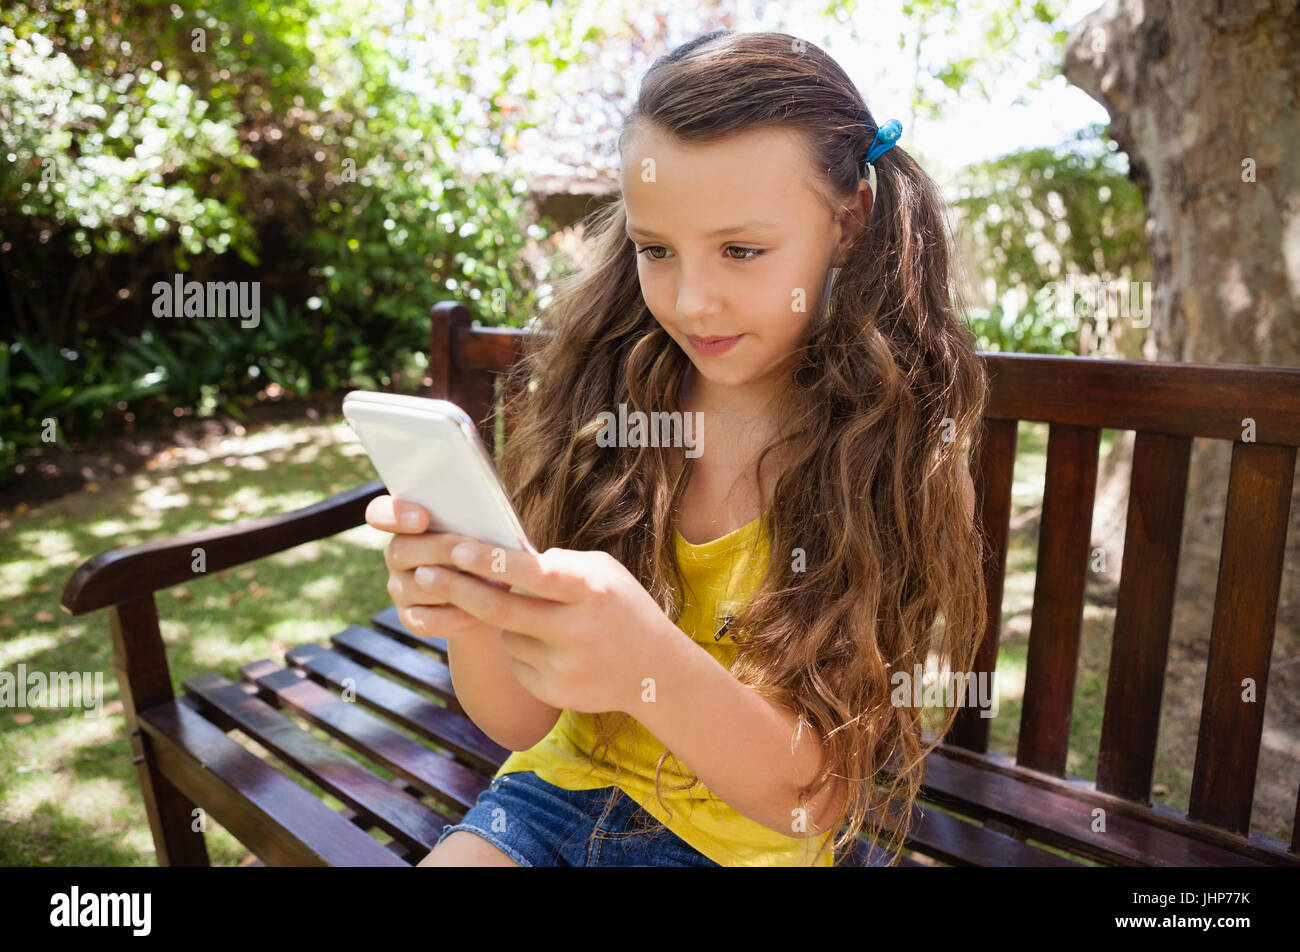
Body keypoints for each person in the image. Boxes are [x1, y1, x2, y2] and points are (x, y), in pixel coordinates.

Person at [367, 29, 988, 867]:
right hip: (553, 795)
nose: (693, 302)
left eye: (741, 251)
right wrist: (478, 608)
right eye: (655, 250)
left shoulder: (886, 446)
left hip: (742, 845)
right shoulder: (604, 406)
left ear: (849, 223)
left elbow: (809, 802)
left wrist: (645, 664)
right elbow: (520, 723)